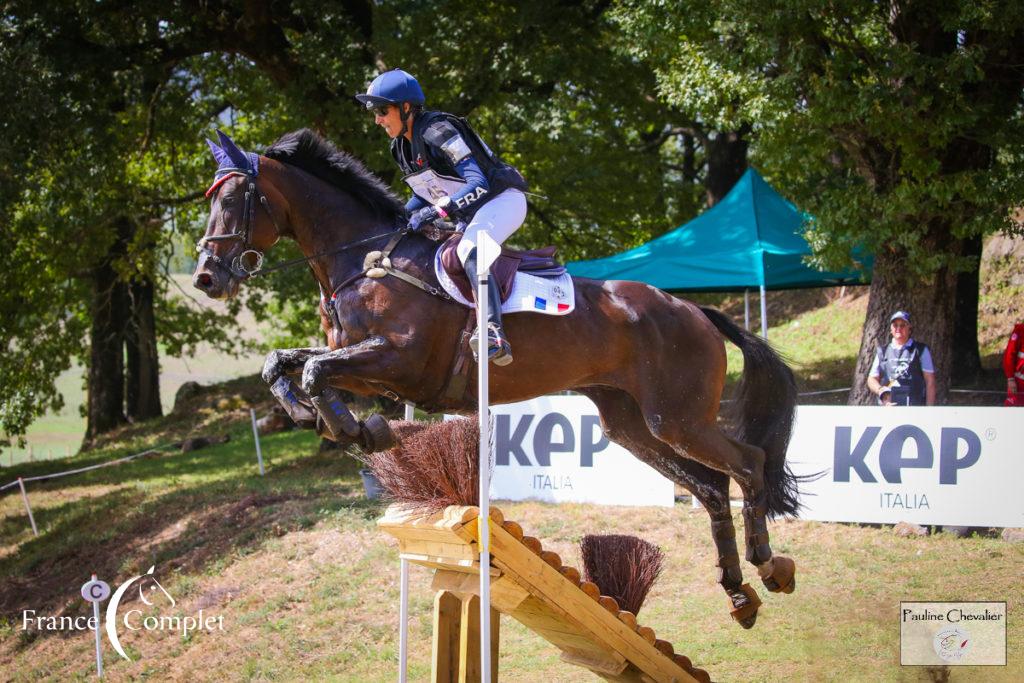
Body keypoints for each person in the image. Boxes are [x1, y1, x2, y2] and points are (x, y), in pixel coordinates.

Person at [355, 68, 529, 366]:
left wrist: (437, 211)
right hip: (469, 213)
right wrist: (394, 221)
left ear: (406, 107)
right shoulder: (400, 147)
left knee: (470, 250)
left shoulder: (439, 131)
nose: (377, 120)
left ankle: (493, 332)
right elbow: (424, 194)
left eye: (382, 110)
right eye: (375, 112)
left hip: (502, 201)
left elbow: (478, 182)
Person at [867, 311, 936, 406]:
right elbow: (871, 379)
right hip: (888, 409)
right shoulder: (882, 351)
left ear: (909, 329)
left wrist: (929, 411)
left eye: (902, 325)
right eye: (895, 325)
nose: (898, 328)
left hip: (915, 409)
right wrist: (880, 391)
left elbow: (930, 382)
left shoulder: (921, 350)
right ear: (891, 329)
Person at [1003, 322, 1024, 406]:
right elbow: (1009, 354)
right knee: (1012, 413)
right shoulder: (1020, 330)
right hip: (1019, 383)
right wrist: (1010, 379)